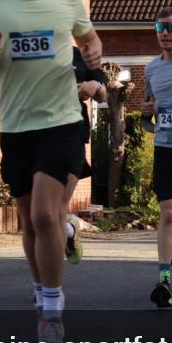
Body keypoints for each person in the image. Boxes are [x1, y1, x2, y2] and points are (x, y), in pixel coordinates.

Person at [0, 0, 102, 343]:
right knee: (28, 222)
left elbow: (90, 39)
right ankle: (39, 286)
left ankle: (52, 310)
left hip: (62, 120)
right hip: (16, 125)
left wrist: (93, 51)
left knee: (47, 216)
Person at [140, 7, 172, 308]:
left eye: (171, 27)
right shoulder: (150, 69)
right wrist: (147, 115)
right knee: (168, 213)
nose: (164, 32)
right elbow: (149, 118)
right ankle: (164, 280)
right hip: (165, 148)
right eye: (159, 27)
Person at [65, 44, 107, 264]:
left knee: (54, 210)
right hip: (38, 133)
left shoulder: (81, 55)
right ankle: (68, 228)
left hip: (74, 132)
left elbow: (102, 94)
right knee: (41, 216)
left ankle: (47, 290)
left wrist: (95, 84)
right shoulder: (31, 52)